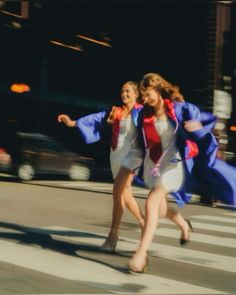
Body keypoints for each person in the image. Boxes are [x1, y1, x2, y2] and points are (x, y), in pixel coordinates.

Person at [128, 72, 236, 273]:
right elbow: (141, 142)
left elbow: (207, 118)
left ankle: (140, 255)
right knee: (159, 210)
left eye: (147, 93)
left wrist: (198, 127)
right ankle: (184, 225)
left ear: (158, 89)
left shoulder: (178, 109)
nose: (145, 98)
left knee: (151, 202)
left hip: (174, 165)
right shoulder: (144, 114)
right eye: (142, 95)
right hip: (154, 164)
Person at [57, 81, 145, 252]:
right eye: (122, 91)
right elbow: (95, 119)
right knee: (124, 193)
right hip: (116, 155)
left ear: (136, 94)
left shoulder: (141, 111)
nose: (124, 94)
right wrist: (72, 122)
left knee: (117, 191)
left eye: (128, 91)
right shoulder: (114, 111)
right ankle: (143, 223)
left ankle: (113, 237)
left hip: (133, 155)